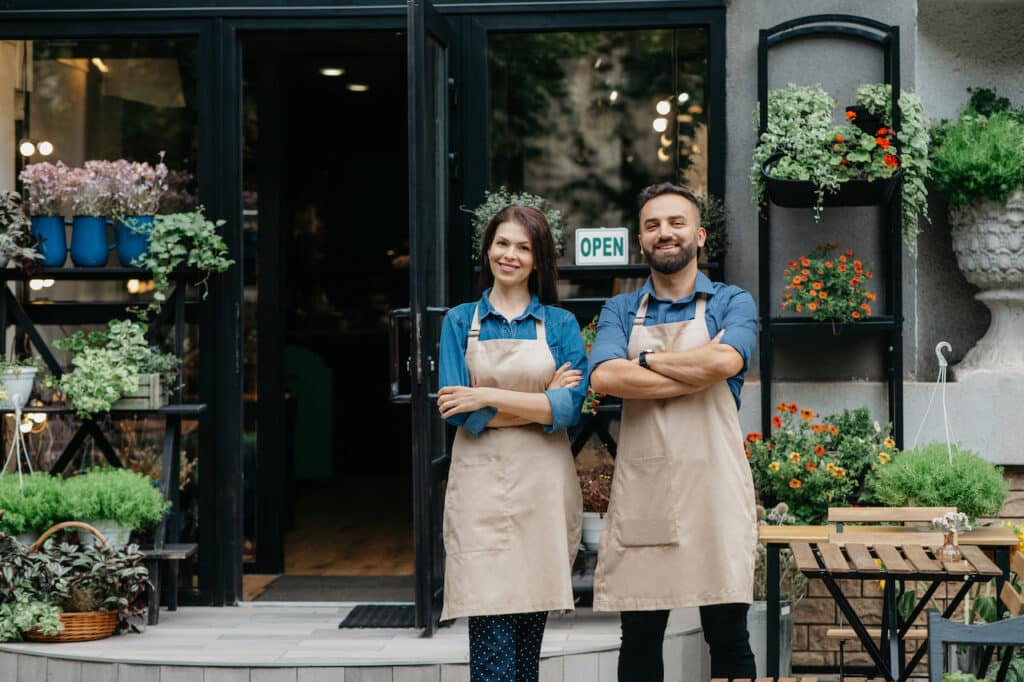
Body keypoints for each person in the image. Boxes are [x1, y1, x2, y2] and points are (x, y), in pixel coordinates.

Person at [588, 183, 759, 681]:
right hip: (647, 492)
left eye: (677, 223)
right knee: (640, 639)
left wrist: (645, 361)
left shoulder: (733, 301)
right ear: (641, 240)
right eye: (653, 225)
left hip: (714, 491)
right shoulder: (620, 309)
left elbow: (729, 360)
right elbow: (605, 377)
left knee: (729, 636)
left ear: (700, 236)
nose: (665, 233)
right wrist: (697, 367)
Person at [437, 205, 587, 682]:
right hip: (481, 490)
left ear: (538, 259)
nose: (510, 254)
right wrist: (538, 402)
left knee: (528, 638)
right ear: (487, 250)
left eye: (523, 247)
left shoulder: (561, 325)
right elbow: (461, 413)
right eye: (503, 243)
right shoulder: (459, 322)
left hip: (542, 491)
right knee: (491, 626)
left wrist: (485, 393)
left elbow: (569, 410)